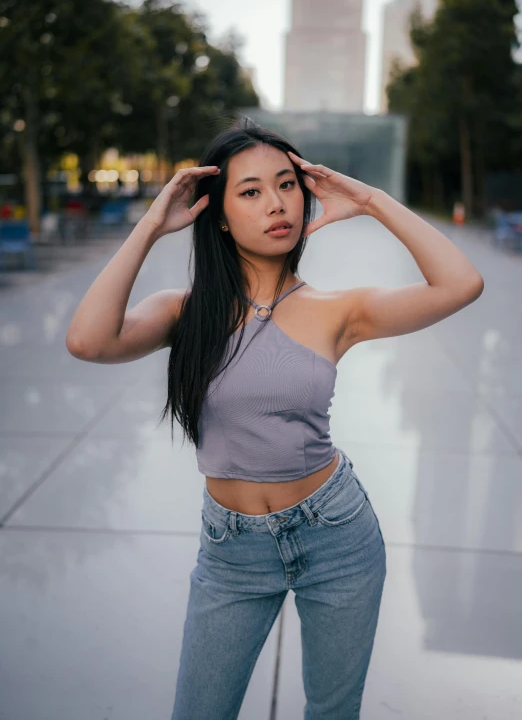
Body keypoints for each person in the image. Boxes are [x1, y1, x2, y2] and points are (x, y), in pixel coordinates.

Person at [65, 117, 484, 719]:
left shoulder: (339, 309)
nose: (277, 203)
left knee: (331, 712)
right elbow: (88, 340)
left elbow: (461, 283)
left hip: (337, 534)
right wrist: (152, 225)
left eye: (287, 184)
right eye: (252, 191)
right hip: (232, 552)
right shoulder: (184, 313)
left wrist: (370, 200)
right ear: (219, 212)